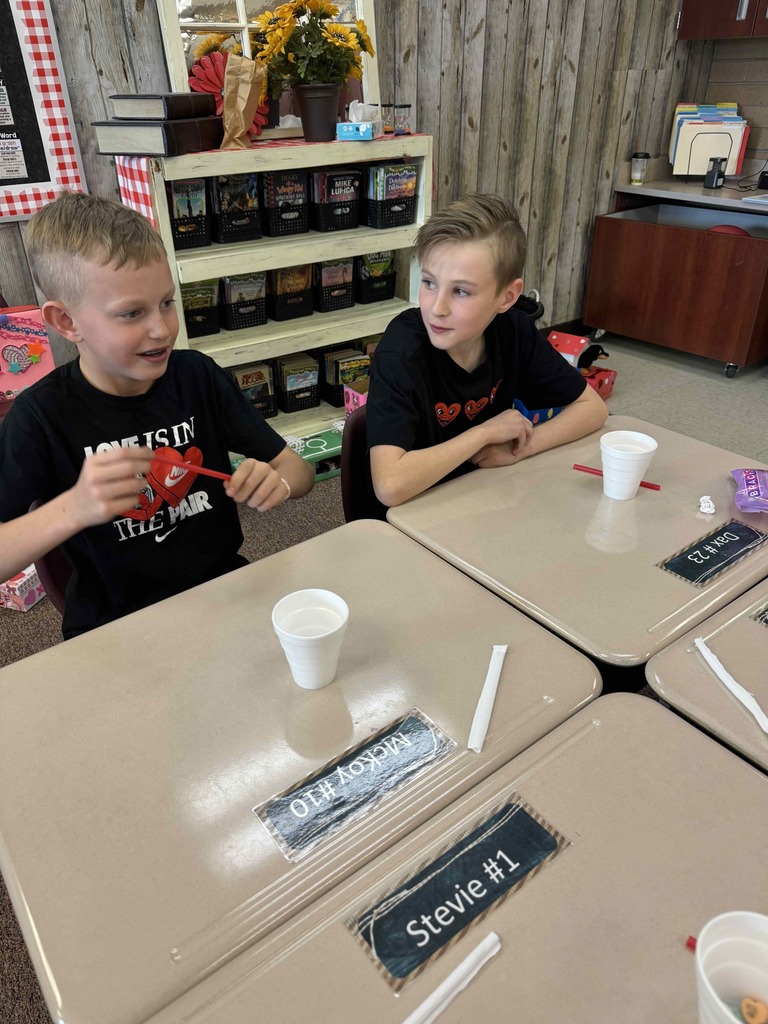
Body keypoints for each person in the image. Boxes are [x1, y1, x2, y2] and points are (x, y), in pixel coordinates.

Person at [0, 192, 314, 638]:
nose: (163, 329)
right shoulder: (41, 417)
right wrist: (74, 507)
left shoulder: (196, 376)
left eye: (167, 302)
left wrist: (278, 482)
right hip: (118, 628)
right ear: (67, 323)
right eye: (131, 313)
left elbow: (296, 470)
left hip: (227, 595)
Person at [366, 193, 608, 507]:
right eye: (429, 283)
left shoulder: (513, 332)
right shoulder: (401, 352)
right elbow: (390, 485)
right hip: (414, 516)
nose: (436, 308)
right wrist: (483, 433)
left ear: (506, 297)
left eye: (461, 291)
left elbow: (593, 408)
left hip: (486, 494)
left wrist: (521, 449)